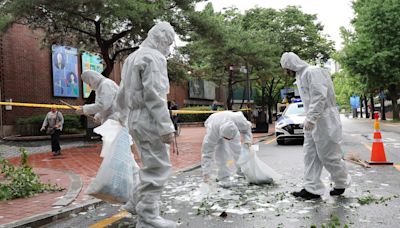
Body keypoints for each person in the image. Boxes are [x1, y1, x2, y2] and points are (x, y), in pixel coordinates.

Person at [114, 22, 176, 228]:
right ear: (162, 39)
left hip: (135, 118)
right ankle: (148, 216)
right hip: (149, 118)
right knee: (158, 168)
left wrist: (120, 115)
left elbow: (122, 92)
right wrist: (166, 127)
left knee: (150, 165)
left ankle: (135, 202)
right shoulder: (154, 58)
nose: (168, 47)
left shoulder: (132, 58)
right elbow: (155, 95)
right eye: (168, 42)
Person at [280, 52, 351, 200]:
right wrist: (310, 119)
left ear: (291, 65)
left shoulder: (313, 72)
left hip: (325, 119)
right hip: (313, 120)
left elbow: (319, 96)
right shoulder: (300, 76)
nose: (286, 72)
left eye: (286, 68)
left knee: (329, 155)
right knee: (310, 155)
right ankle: (311, 188)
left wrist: (311, 118)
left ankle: (341, 182)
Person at [201, 111, 253, 184]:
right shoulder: (212, 133)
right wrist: (206, 173)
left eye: (230, 139)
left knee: (237, 150)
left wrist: (248, 141)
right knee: (221, 153)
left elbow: (247, 128)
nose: (229, 141)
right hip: (214, 123)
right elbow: (207, 153)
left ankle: (241, 171)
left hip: (230, 125)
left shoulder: (239, 120)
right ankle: (223, 176)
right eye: (227, 139)